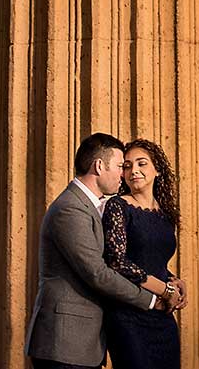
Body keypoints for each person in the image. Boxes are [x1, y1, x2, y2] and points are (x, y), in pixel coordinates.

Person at [25, 133, 180, 369]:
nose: (124, 173)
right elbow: (98, 272)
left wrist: (172, 281)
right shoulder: (71, 208)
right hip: (65, 340)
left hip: (86, 340)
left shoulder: (93, 205)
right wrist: (154, 299)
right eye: (121, 166)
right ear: (99, 165)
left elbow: (140, 255)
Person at [102, 138, 188, 369]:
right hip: (128, 314)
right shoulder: (117, 206)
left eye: (142, 164)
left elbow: (153, 259)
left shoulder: (165, 213)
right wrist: (165, 289)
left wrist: (175, 281)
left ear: (157, 169)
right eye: (127, 166)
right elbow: (117, 262)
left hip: (162, 314)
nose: (134, 171)